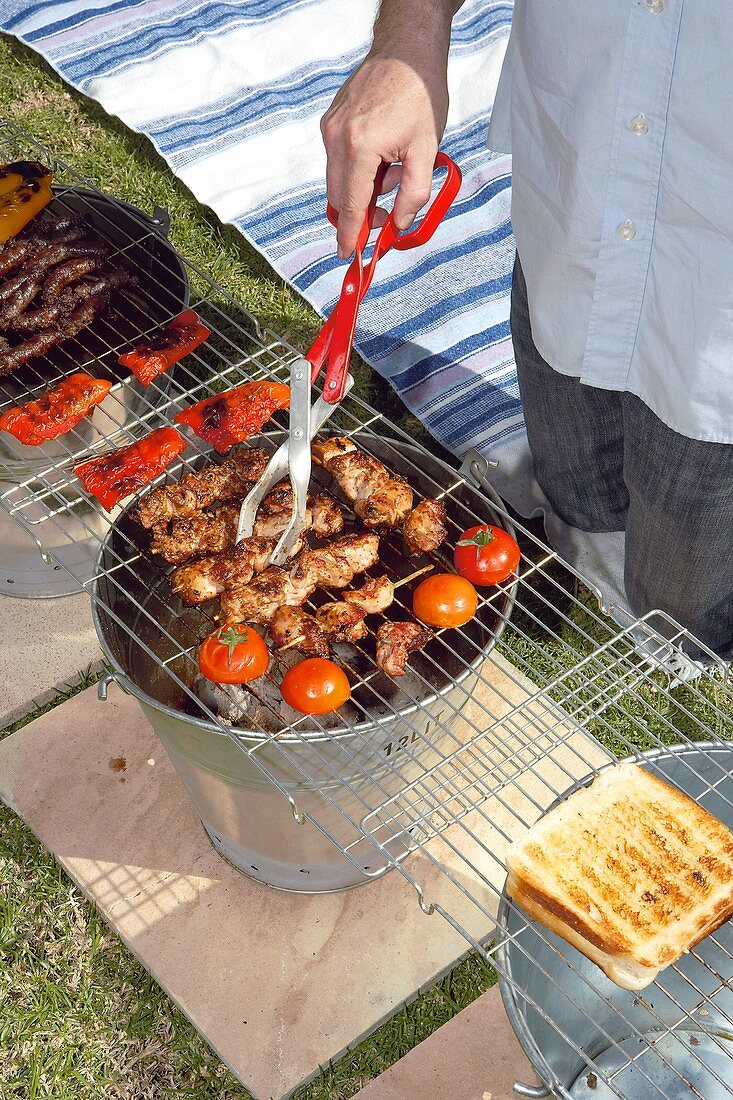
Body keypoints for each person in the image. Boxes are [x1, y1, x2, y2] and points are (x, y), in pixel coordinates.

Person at [320, 0, 733, 659]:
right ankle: (581, 536)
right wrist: (411, 38)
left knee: (680, 617)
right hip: (575, 177)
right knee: (573, 491)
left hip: (715, 305)